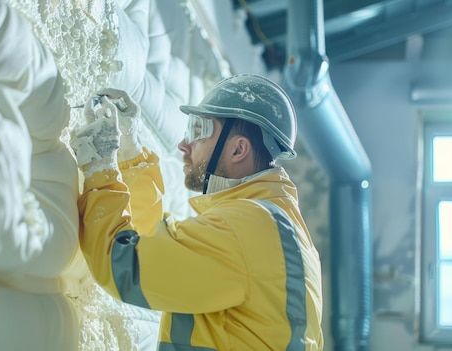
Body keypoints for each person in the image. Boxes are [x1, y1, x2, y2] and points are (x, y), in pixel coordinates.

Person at [71, 73, 324, 350]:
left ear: (238, 149)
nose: (183, 144)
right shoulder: (275, 229)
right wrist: (129, 153)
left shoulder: (246, 229)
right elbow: (152, 250)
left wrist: (100, 167)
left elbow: (124, 264)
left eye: (199, 131)